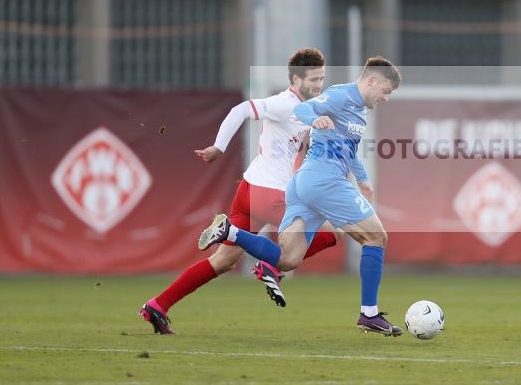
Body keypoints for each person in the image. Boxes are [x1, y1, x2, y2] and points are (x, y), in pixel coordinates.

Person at [139, 47, 342, 335]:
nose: (319, 85)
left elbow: (294, 144)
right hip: (268, 193)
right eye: (313, 79)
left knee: (222, 261)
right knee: (334, 229)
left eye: (321, 79)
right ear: (296, 79)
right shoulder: (284, 103)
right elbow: (242, 109)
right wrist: (219, 147)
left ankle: (158, 305)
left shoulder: (304, 110)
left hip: (250, 190)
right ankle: (270, 267)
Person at [198, 57, 403, 336]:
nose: (386, 98)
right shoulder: (341, 95)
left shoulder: (359, 110)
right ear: (371, 81)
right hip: (325, 181)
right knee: (376, 237)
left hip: (304, 184)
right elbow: (305, 109)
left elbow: (348, 148)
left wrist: (363, 178)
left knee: (287, 259)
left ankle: (229, 232)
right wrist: (314, 118)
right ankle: (369, 314)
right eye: (386, 91)